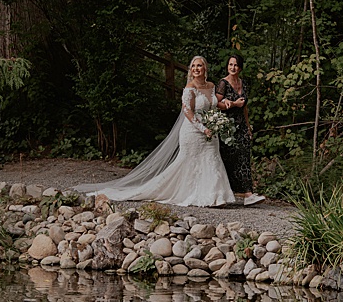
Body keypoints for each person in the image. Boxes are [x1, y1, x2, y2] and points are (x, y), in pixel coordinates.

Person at [77, 56, 236, 207]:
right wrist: (203, 128)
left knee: (212, 159)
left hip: (210, 131)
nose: (196, 68)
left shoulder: (211, 86)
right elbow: (188, 111)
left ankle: (216, 196)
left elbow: (215, 105)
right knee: (189, 163)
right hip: (193, 132)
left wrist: (229, 103)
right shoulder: (189, 88)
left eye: (199, 65)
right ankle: (191, 193)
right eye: (193, 66)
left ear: (205, 68)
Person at [217, 54, 262, 205]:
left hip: (241, 124)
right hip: (226, 126)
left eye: (235, 65)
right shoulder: (223, 83)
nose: (233, 68)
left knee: (244, 154)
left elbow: (245, 108)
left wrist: (248, 126)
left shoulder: (243, 83)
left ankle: (248, 194)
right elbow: (215, 104)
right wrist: (232, 104)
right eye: (230, 65)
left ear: (240, 67)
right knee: (228, 158)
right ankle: (228, 192)